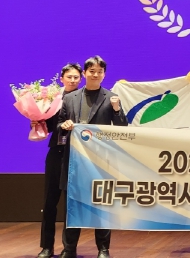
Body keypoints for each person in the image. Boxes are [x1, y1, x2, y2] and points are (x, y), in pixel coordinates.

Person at [56, 56, 127, 258]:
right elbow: (59, 124)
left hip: (100, 161)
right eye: (92, 71)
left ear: (104, 74)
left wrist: (117, 110)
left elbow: (122, 128)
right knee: (72, 206)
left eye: (100, 72)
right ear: (85, 73)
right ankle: (69, 249)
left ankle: (103, 249)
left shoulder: (111, 98)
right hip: (75, 161)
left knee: (101, 206)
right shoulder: (70, 98)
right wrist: (64, 125)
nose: (95, 75)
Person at [35, 63, 83, 258]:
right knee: (49, 202)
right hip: (56, 152)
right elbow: (46, 125)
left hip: (77, 154)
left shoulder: (83, 98)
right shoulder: (51, 99)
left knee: (71, 204)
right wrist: (36, 121)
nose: (72, 80)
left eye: (76, 77)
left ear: (81, 79)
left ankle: (69, 248)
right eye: (69, 77)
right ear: (61, 78)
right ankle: (46, 247)